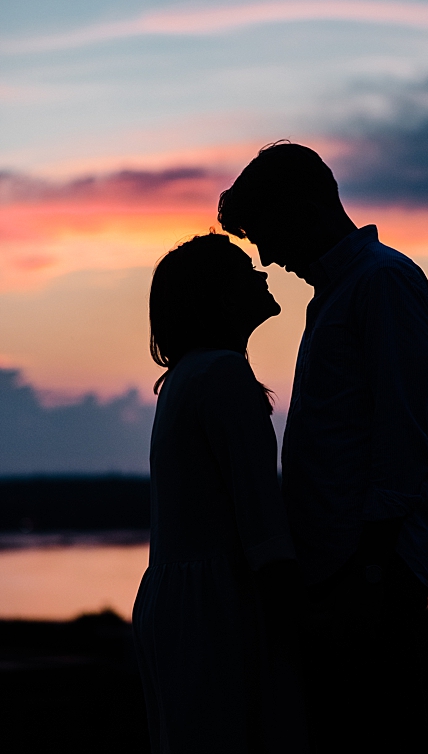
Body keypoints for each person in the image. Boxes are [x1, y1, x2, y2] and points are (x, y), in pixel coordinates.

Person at [218, 142, 428, 752]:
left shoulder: (383, 282)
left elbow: (401, 442)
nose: (265, 254)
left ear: (304, 209)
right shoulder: (337, 295)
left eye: (264, 231)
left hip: (366, 577)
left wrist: (369, 574)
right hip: (339, 575)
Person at [132, 233, 309, 754]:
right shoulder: (223, 374)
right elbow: (262, 524)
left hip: (177, 606)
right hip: (217, 612)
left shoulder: (187, 377)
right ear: (219, 294)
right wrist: (298, 623)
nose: (261, 272)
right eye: (242, 269)